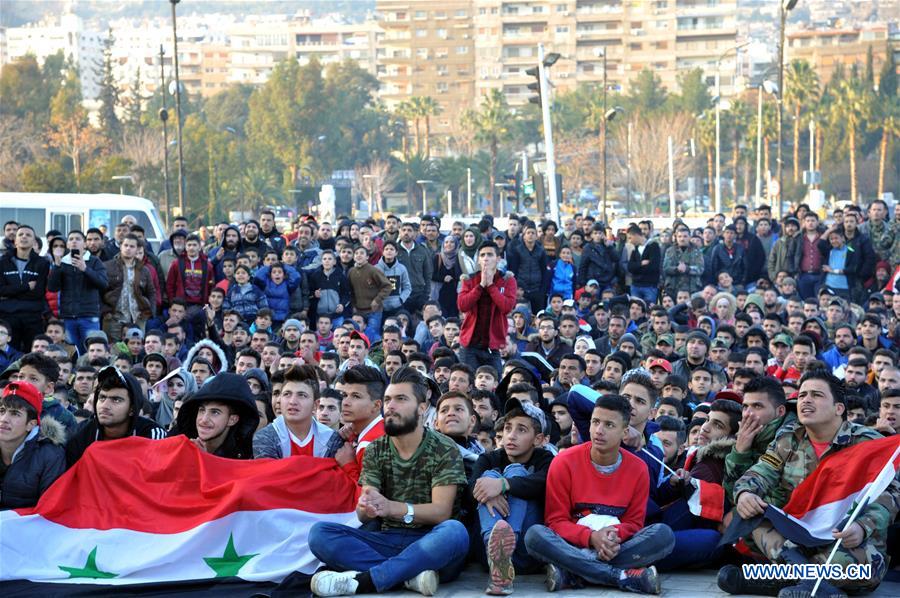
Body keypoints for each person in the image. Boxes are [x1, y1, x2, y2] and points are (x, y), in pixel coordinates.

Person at [720, 370, 900, 597]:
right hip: (800, 538)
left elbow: (891, 493)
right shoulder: (789, 437)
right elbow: (762, 471)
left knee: (856, 566)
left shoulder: (866, 442)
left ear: (839, 408)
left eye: (816, 395)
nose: (805, 400)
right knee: (750, 512)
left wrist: (863, 527)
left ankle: (772, 580)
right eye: (803, 394)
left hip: (846, 541)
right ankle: (815, 586)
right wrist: (745, 493)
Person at [308, 366, 470, 596]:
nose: (390, 406)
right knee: (320, 534)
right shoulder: (376, 448)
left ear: (422, 408)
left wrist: (391, 507)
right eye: (387, 400)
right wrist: (367, 507)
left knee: (455, 532)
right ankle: (408, 576)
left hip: (430, 541)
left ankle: (366, 580)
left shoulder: (444, 448)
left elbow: (441, 512)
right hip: (387, 539)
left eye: (401, 399)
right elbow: (366, 511)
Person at [523, 394, 674, 594]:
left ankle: (573, 573)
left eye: (609, 425)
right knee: (535, 536)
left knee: (664, 535)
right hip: (573, 545)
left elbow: (634, 524)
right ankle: (621, 577)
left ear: (625, 432)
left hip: (614, 546)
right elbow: (556, 521)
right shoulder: (564, 461)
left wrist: (610, 537)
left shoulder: (638, 468)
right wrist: (592, 537)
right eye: (595, 422)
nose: (599, 431)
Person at [469, 398, 554, 594]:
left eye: (521, 430)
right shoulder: (488, 458)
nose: (511, 436)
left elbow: (542, 482)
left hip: (526, 552)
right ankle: (498, 554)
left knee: (515, 472)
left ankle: (505, 547)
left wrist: (503, 485)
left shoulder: (545, 460)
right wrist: (489, 492)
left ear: (538, 439)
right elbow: (471, 489)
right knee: (486, 478)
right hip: (485, 553)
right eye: (507, 428)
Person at [64, 366, 166, 468]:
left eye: (116, 400)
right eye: (102, 397)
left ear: (132, 408)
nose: (105, 406)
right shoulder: (79, 436)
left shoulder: (152, 434)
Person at [0, 381, 66, 509]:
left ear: (31, 424)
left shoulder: (50, 456)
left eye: (15, 414)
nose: (4, 419)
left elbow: (50, 510)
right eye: (2, 411)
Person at [457, 241, 517, 374]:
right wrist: (481, 285)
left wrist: (490, 286)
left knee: (494, 383)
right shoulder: (469, 279)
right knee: (471, 384)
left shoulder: (507, 280)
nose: (486, 258)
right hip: (470, 345)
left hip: (493, 346)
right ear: (478, 259)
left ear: (498, 258)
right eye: (482, 255)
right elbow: (463, 305)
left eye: (490, 254)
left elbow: (507, 307)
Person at [253, 364, 336, 459]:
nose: (292, 401)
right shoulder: (264, 437)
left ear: (315, 405)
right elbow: (271, 473)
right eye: (287, 394)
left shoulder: (331, 439)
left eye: (302, 395)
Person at [47, 230, 108, 355]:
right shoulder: (63, 262)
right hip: (68, 316)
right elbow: (53, 287)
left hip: (89, 316)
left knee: (91, 351)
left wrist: (85, 269)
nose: (74, 241)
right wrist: (57, 265)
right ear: (68, 245)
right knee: (72, 352)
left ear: (85, 244)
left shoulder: (94, 261)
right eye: (71, 239)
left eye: (78, 239)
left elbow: (103, 283)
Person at [174, 372, 260, 459]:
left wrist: (204, 459)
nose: (204, 419)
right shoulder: (178, 439)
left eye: (215, 412)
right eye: (202, 410)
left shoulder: (245, 455)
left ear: (232, 420)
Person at [0, 225, 50, 352]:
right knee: (8, 353)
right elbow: (1, 290)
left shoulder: (42, 263)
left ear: (34, 241)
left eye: (28, 235)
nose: (24, 237)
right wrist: (26, 287)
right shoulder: (2, 262)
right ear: (15, 240)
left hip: (32, 316)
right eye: (20, 234)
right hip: (8, 315)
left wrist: (11, 292)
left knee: (32, 354)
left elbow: (38, 292)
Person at [333, 364, 385, 483]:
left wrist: (348, 464)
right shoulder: (381, 428)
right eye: (344, 395)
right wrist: (352, 438)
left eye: (356, 396)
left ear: (376, 405)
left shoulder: (369, 445)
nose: (345, 402)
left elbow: (369, 497)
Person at [101, 234, 156, 343]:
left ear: (137, 249)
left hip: (138, 317)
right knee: (114, 349)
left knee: (136, 348)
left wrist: (149, 312)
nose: (128, 249)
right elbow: (99, 291)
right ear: (120, 246)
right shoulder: (107, 266)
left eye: (132, 246)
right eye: (125, 245)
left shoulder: (144, 270)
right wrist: (105, 312)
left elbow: (151, 292)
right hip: (113, 317)